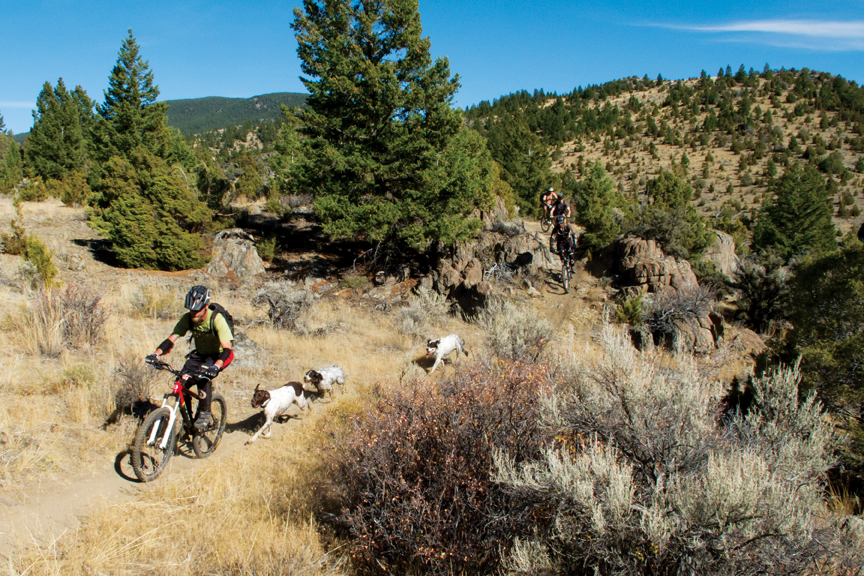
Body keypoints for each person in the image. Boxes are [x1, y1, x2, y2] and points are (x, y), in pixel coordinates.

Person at [146, 285, 234, 429]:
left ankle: (205, 412)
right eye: (191, 310)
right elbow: (172, 339)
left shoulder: (216, 319)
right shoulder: (187, 318)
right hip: (200, 354)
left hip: (218, 355)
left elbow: (227, 349)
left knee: (203, 376)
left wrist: (215, 366)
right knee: (181, 382)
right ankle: (188, 421)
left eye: (197, 310)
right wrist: (155, 354)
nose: (193, 313)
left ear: (206, 306)